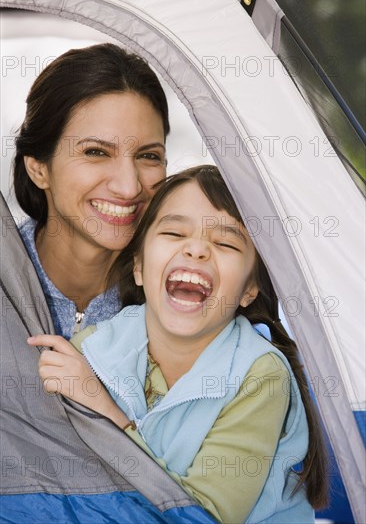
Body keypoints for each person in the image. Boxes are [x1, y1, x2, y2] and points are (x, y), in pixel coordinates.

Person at [29, 165, 328, 523]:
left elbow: (203, 515)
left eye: (225, 242)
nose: (197, 250)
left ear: (250, 289)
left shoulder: (260, 376)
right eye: (173, 232)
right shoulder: (94, 349)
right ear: (138, 265)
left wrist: (109, 414)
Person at [14, 43, 169, 339]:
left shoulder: (182, 293)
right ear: (38, 168)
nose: (129, 187)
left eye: (148, 156)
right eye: (96, 152)